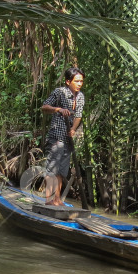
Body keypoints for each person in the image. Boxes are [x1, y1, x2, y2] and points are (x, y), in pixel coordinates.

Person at [40, 67, 85, 206]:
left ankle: (57, 199)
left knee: (62, 170)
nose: (79, 84)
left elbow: (78, 115)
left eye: (81, 81)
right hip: (56, 136)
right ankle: (49, 199)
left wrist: (73, 129)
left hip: (67, 139)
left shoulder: (81, 96)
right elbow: (44, 107)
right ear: (68, 81)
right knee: (52, 168)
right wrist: (58, 109)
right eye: (76, 81)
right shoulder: (59, 92)